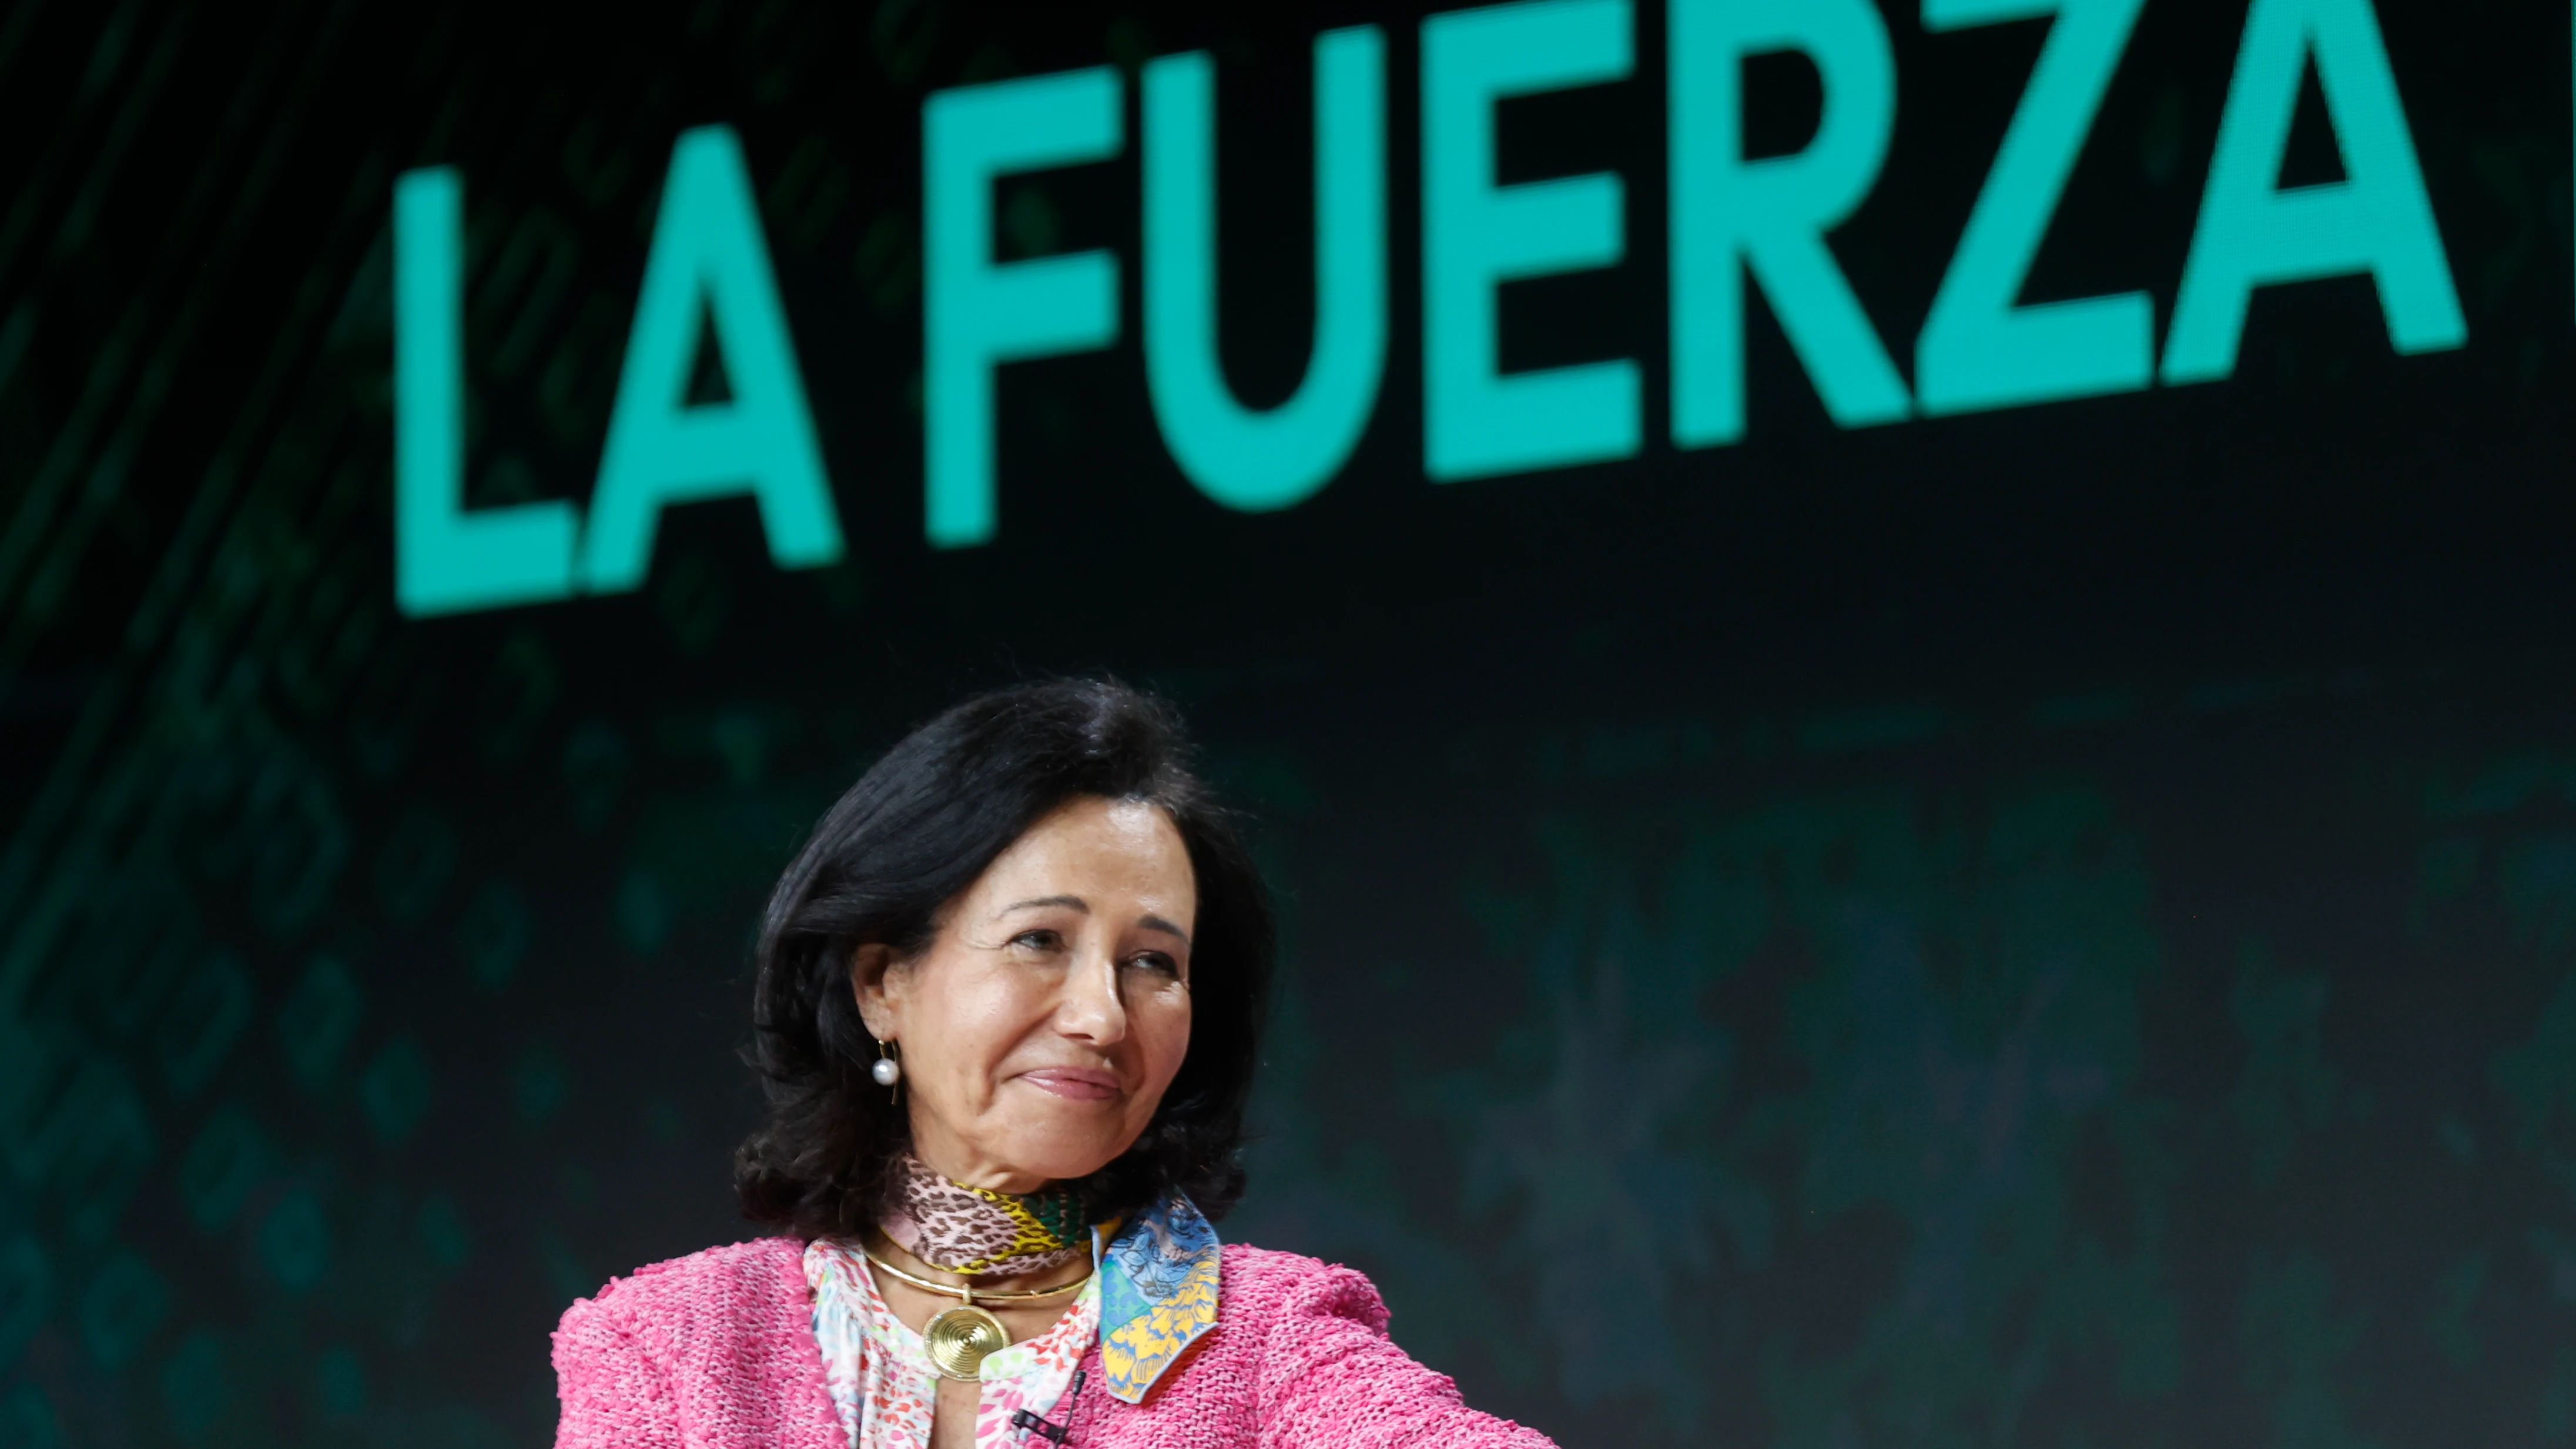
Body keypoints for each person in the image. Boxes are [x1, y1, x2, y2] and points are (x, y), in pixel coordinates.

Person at [551, 678, 1553, 1449]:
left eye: (1152, 963)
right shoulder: (666, 1344)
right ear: (879, 983)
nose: (1100, 1016)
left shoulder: (1266, 1339)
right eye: (1039, 940)